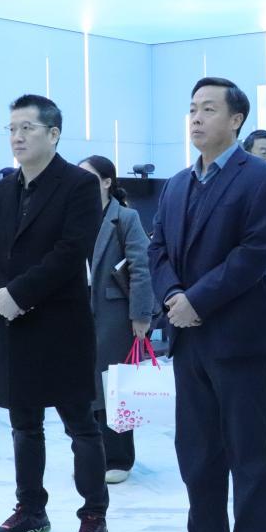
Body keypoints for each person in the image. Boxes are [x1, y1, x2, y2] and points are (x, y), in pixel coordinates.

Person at [148, 77, 266, 532]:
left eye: (209, 109)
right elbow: (157, 249)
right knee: (197, 451)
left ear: (236, 120)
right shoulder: (177, 183)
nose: (197, 118)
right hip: (187, 338)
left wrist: (197, 301)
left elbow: (254, 254)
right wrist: (173, 296)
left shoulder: (262, 179)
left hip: (236, 338)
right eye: (192, 109)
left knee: (248, 455)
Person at [0, 94, 110, 532]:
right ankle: (31, 510)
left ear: (53, 134)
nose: (17, 136)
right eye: (12, 128)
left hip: (60, 324)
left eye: (27, 128)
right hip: (12, 323)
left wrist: (19, 294)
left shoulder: (78, 185)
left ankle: (94, 516)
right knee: (24, 426)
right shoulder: (0, 191)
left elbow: (71, 251)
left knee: (81, 426)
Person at [79, 155, 154, 485]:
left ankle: (119, 458)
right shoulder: (72, 216)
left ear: (107, 182)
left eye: (88, 177)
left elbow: (141, 268)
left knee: (115, 386)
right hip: (77, 312)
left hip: (114, 314)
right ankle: (90, 455)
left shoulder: (125, 217)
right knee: (83, 387)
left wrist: (141, 315)